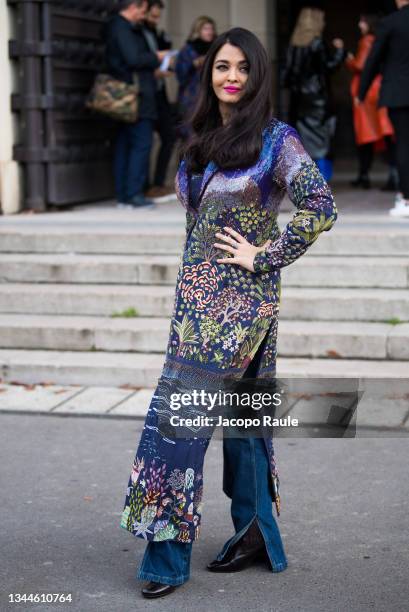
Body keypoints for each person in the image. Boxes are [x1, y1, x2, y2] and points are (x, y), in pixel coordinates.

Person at [119, 27, 337, 599]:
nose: (232, 76)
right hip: (196, 305)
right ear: (209, 73)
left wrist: (266, 254)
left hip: (238, 307)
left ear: (258, 74)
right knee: (244, 423)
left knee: (178, 425)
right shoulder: (200, 138)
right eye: (221, 66)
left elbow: (321, 205)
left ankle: (164, 560)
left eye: (242, 66)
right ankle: (255, 535)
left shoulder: (275, 140)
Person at [103, 0, 168, 209]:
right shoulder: (122, 28)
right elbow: (133, 59)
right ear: (133, 6)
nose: (143, 15)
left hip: (128, 97)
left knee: (124, 144)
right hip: (136, 96)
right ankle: (133, 195)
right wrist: (156, 57)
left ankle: (124, 196)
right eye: (142, 10)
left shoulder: (117, 27)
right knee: (141, 144)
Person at [282, 6, 346, 181]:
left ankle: (308, 179)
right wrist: (340, 51)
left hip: (299, 99)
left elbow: (286, 74)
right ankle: (323, 178)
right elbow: (328, 67)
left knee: (304, 140)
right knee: (322, 140)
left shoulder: (293, 44)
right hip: (317, 99)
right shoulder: (317, 43)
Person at [358, 0, 409, 216]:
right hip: (398, 93)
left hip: (398, 94)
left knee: (404, 145)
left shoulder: (391, 22)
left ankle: (406, 198)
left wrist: (362, 92)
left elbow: (373, 60)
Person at [346, 14, 396, 190]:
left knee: (365, 134)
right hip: (378, 89)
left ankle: (365, 175)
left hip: (367, 93)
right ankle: (392, 175)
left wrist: (349, 59)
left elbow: (362, 65)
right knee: (386, 133)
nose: (359, 24)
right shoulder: (380, 39)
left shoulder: (367, 40)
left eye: (362, 21)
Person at [142, 0, 177, 201]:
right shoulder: (139, 33)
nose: (155, 20)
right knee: (144, 142)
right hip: (145, 94)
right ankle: (145, 186)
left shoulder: (159, 34)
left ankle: (157, 183)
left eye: (158, 16)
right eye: (153, 16)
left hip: (160, 93)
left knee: (169, 136)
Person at [175, 15, 217, 139]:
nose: (209, 32)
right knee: (191, 136)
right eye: (206, 29)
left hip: (212, 98)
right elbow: (180, 75)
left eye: (211, 29)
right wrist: (194, 64)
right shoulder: (188, 49)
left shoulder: (217, 48)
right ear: (197, 30)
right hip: (192, 99)